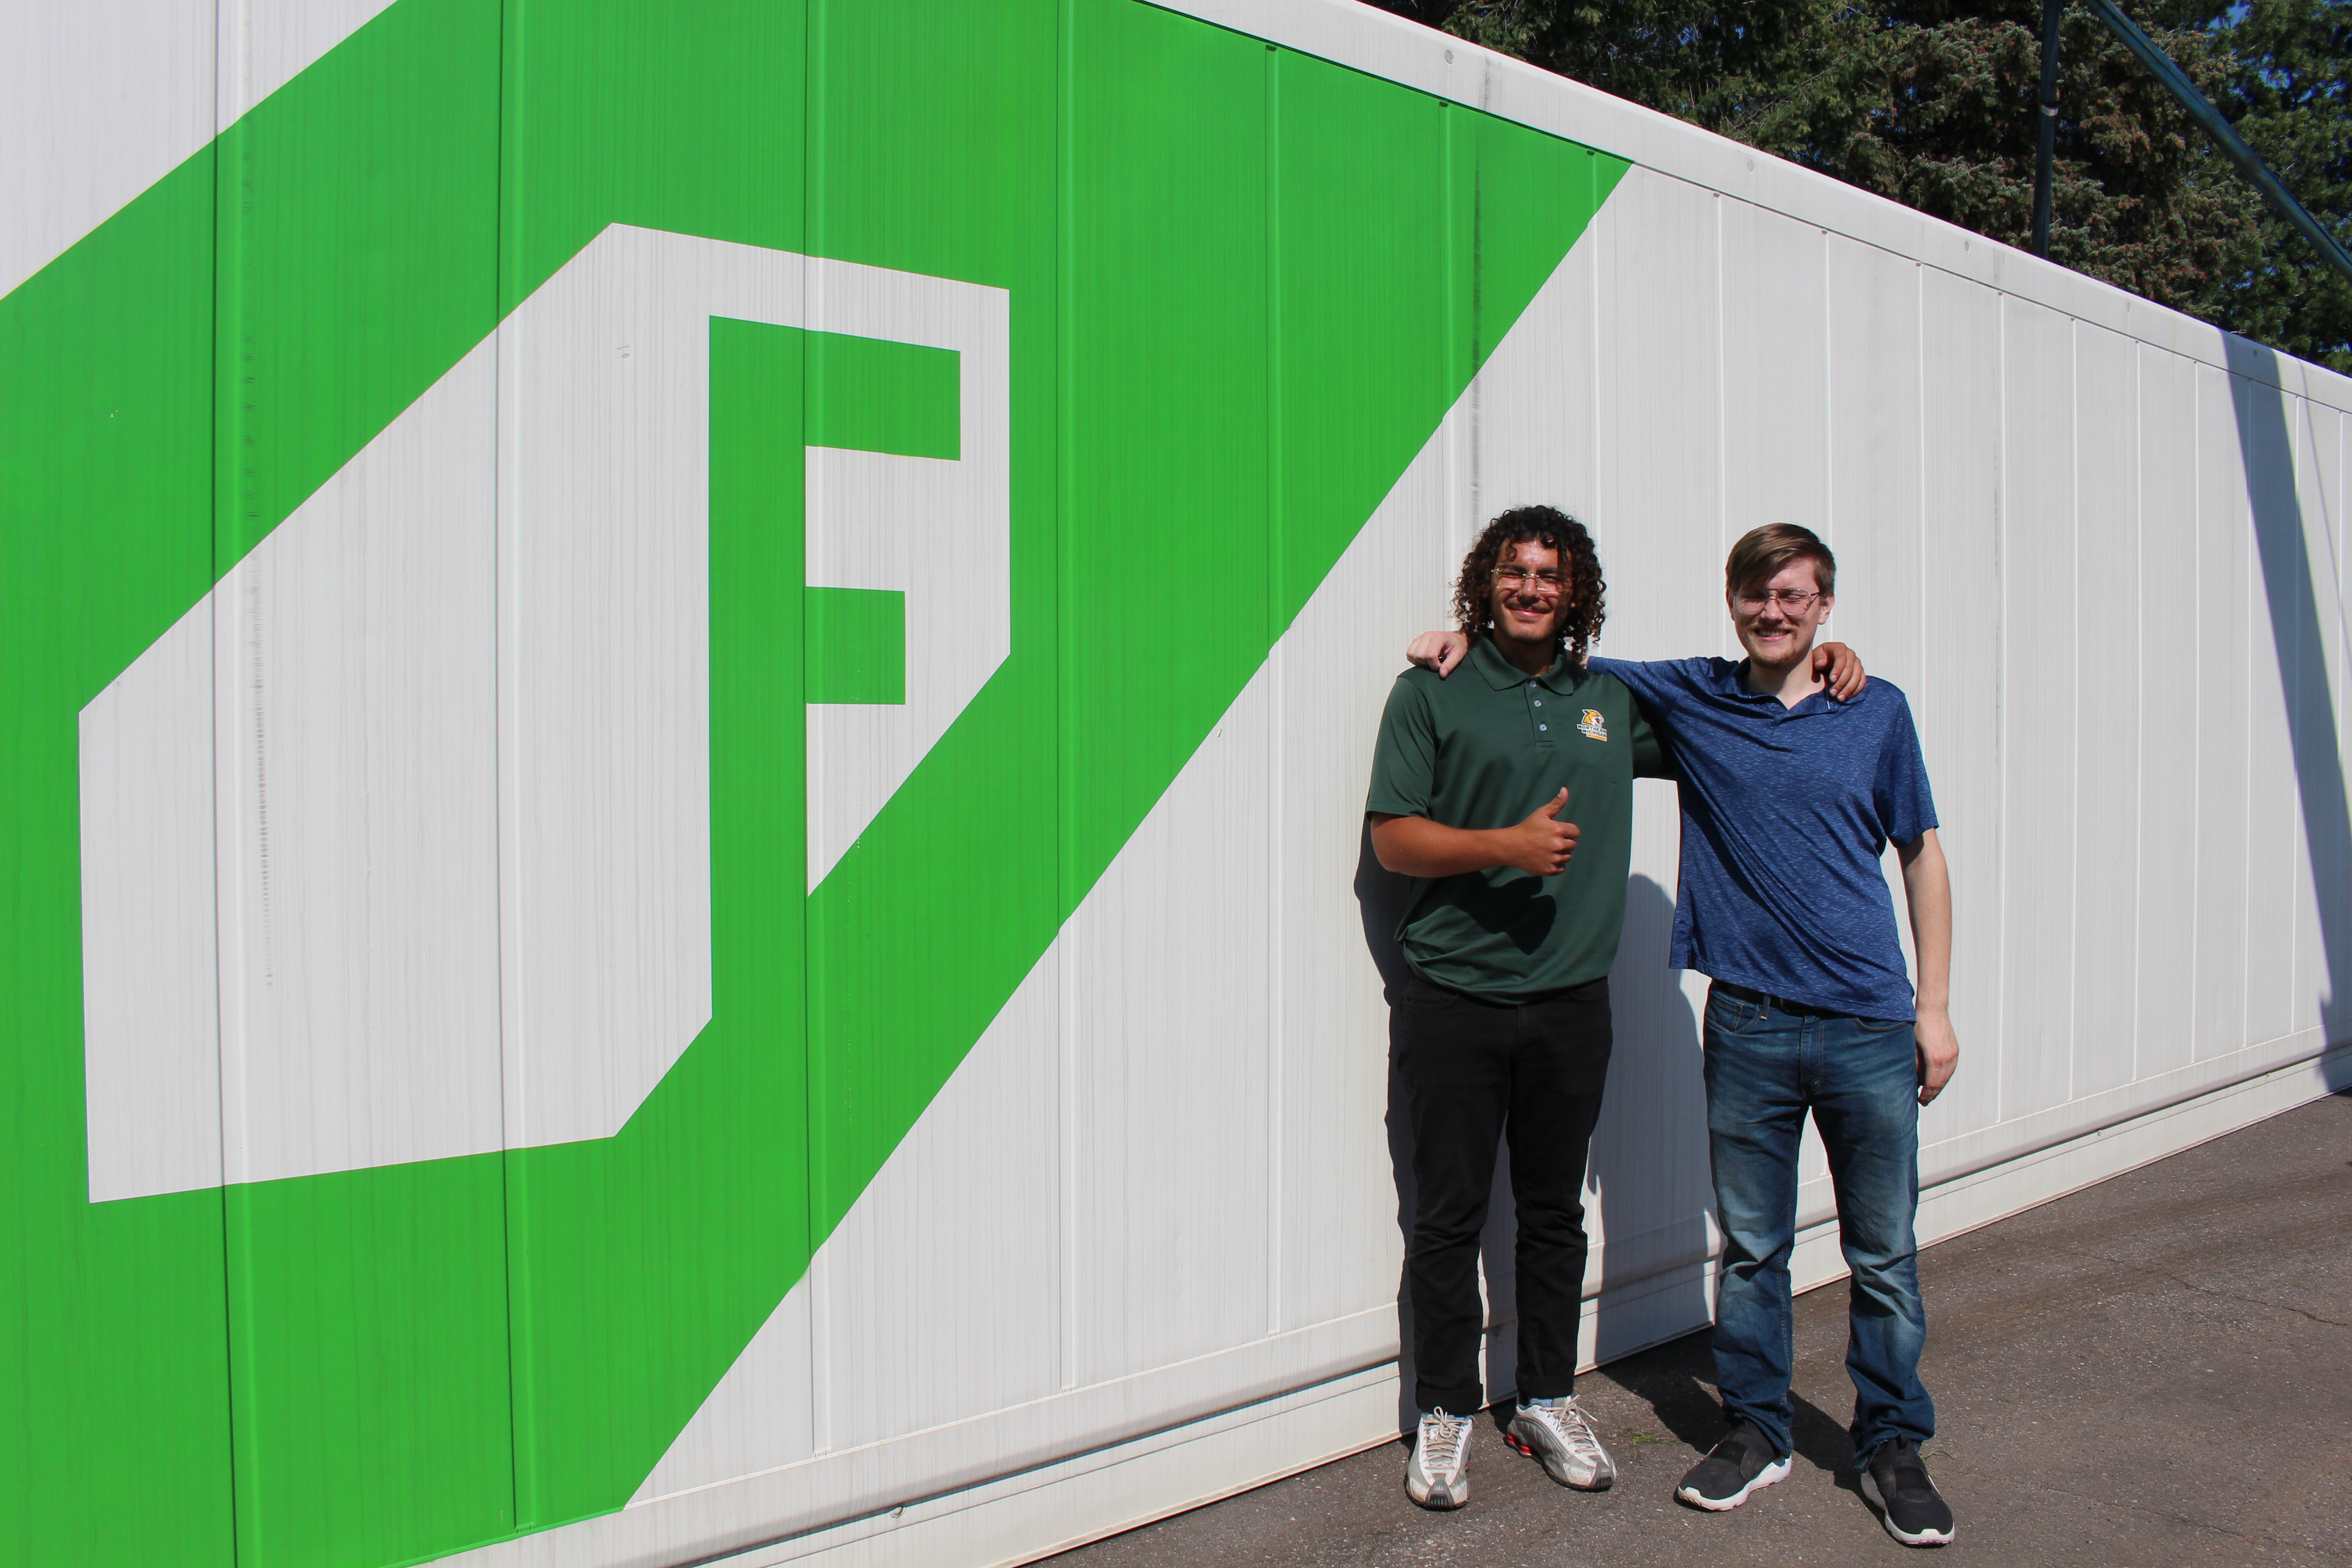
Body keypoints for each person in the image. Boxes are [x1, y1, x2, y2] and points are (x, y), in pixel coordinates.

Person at [1406, 523, 1958, 1548]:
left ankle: (1891, 1446)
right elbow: (1546, 671)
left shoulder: (1873, 709)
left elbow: (1923, 858)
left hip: (1871, 1026)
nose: (1776, 612)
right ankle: (1756, 1432)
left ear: (1826, 606)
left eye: (1797, 598)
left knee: (1882, 1256)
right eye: (1758, 595)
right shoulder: (1695, 698)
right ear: (1732, 600)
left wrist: (1933, 1008)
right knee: (1751, 1251)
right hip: (1747, 1019)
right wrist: (1455, 639)